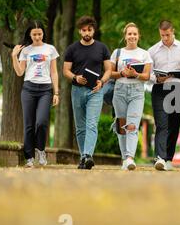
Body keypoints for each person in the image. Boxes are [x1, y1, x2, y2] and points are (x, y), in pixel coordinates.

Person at [63, 16, 112, 170]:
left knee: (91, 124)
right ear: (79, 31)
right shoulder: (72, 49)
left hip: (95, 91)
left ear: (93, 30)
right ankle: (83, 157)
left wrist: (102, 81)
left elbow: (109, 69)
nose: (87, 32)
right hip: (77, 91)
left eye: (89, 30)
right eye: (84, 30)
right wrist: (75, 77)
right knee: (80, 127)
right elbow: (65, 71)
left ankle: (87, 155)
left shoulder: (102, 48)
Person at [11, 21, 60, 167]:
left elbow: (54, 72)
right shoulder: (26, 50)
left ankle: (40, 150)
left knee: (41, 122)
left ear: (43, 33)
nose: (37, 37)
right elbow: (20, 72)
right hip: (28, 89)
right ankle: (29, 158)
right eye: (34, 34)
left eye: (39, 34)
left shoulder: (50, 49)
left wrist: (56, 92)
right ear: (30, 35)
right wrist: (14, 56)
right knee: (29, 125)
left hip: (45, 89)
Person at [109, 22, 152, 171]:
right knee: (122, 127)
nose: (132, 36)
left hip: (137, 91)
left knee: (132, 125)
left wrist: (135, 74)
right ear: (125, 36)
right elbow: (110, 73)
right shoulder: (117, 53)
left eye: (135, 34)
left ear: (138, 36)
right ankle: (124, 159)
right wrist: (122, 73)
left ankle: (130, 157)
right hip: (119, 90)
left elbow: (147, 76)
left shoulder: (144, 54)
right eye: (129, 34)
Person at [148, 20, 180, 171]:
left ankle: (169, 158)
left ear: (173, 31)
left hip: (178, 88)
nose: (165, 38)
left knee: (174, 123)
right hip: (159, 88)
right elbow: (148, 73)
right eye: (162, 35)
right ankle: (160, 157)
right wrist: (156, 78)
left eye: (167, 35)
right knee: (161, 123)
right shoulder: (152, 51)